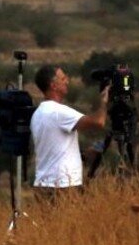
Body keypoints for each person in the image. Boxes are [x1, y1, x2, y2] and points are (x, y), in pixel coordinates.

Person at [30, 64, 110, 193]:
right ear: (53, 85)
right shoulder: (58, 111)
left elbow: (53, 148)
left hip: (44, 184)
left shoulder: (38, 113)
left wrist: (82, 155)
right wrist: (104, 101)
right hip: (62, 186)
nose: (67, 81)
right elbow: (99, 122)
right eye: (63, 79)